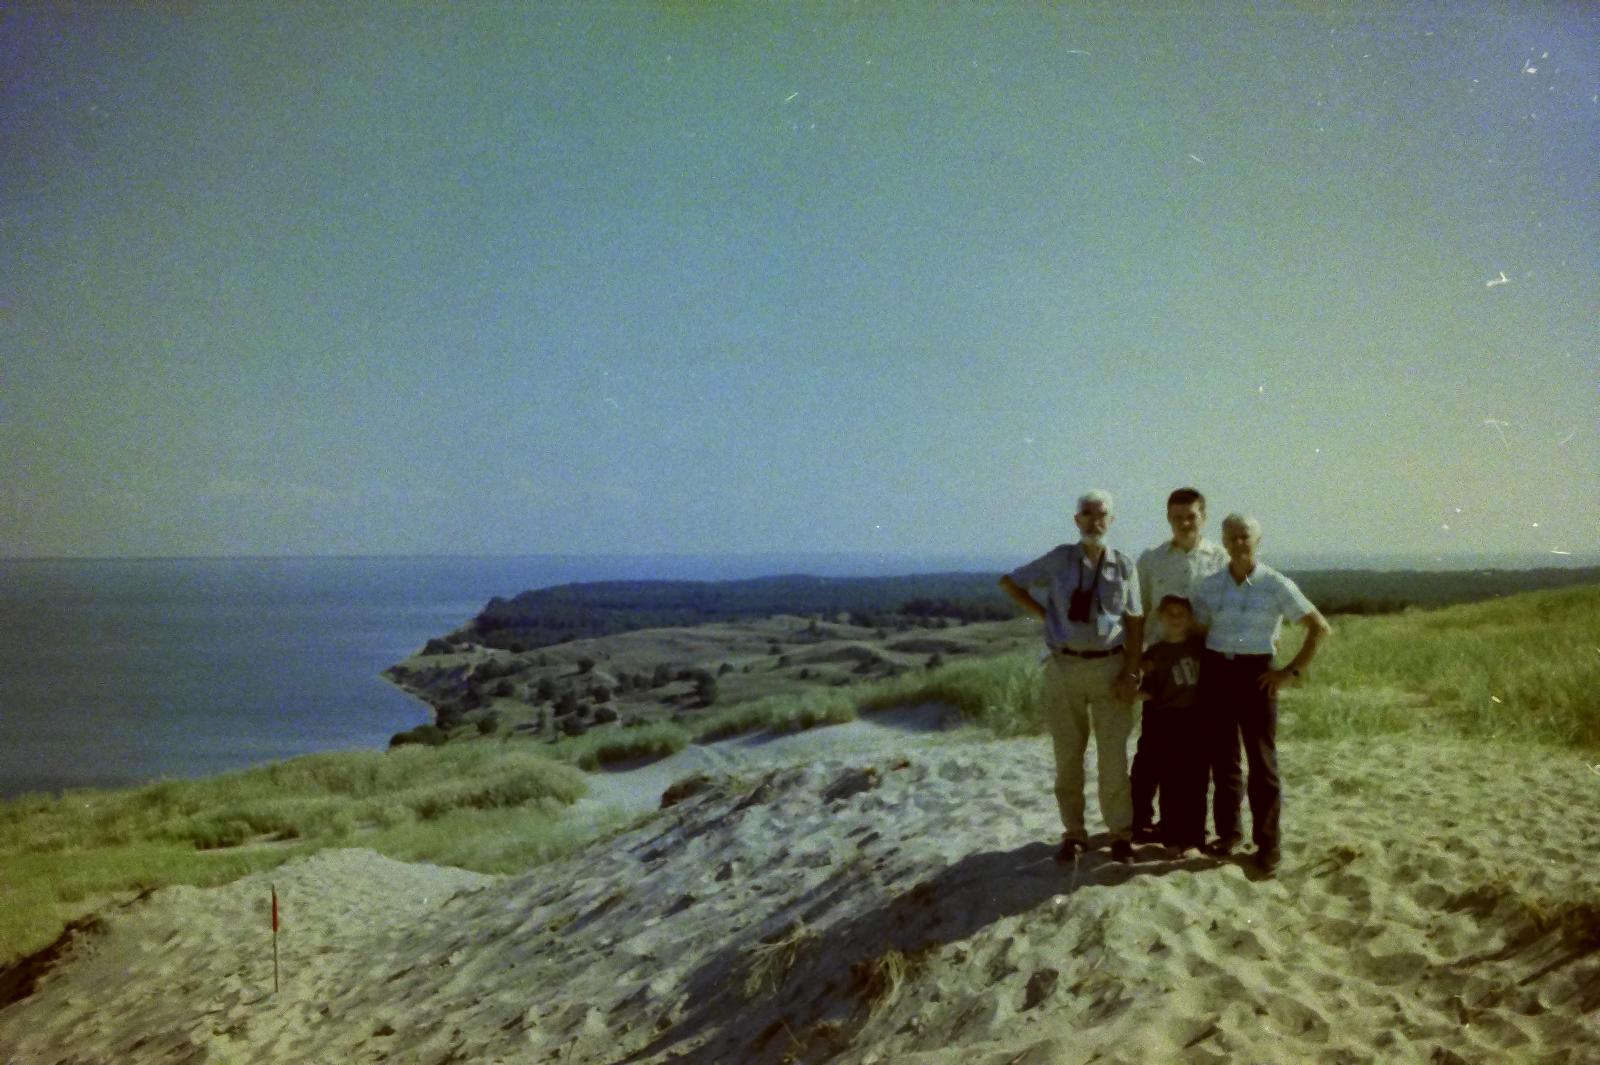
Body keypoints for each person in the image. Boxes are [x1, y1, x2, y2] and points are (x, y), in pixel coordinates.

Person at [999, 490, 1145, 863]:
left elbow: (1135, 621)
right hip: (1064, 668)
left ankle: (1120, 834)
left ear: (1112, 520)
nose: (1095, 521)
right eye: (1087, 513)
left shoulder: (1124, 565)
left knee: (1113, 758)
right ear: (1076, 520)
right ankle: (1074, 833)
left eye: (1102, 514)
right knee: (1067, 756)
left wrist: (1131, 672)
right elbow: (1010, 582)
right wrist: (1046, 615)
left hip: (1110, 667)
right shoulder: (1059, 559)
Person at [1190, 514, 1332, 874]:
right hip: (1217, 671)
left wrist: (1290, 672)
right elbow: (1198, 632)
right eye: (1232, 537)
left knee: (1262, 762)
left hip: (1257, 675)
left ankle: (1268, 844)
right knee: (1224, 760)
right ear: (1223, 541)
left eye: (1245, 537)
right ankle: (1228, 834)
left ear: (1258, 540)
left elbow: (1319, 627)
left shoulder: (1276, 584)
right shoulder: (1210, 586)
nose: (1239, 543)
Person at [1130, 487, 1228, 840]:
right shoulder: (1151, 560)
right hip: (1160, 666)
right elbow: (1137, 612)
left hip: (1204, 666)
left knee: (1195, 755)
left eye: (1191, 516)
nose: (1184, 523)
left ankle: (1187, 826)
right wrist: (1135, 664)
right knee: (1151, 752)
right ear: (1168, 518)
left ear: (1204, 517)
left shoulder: (1221, 559)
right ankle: (1139, 820)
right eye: (1177, 517)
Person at [1132, 595, 1208, 854]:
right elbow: (1149, 691)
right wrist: (1129, 691)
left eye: (1181, 613)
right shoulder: (1154, 653)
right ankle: (1172, 837)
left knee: (1196, 779)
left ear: (1190, 618)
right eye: (1170, 613)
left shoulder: (1201, 647)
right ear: (1160, 618)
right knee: (1170, 780)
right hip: (1166, 720)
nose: (1176, 618)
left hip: (1197, 718)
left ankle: (1194, 837)